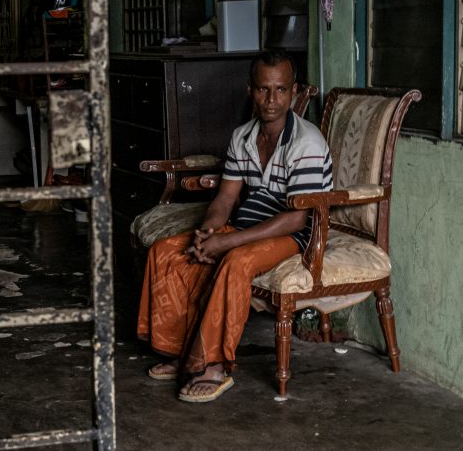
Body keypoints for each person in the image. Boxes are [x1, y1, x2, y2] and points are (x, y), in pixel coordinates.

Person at [136, 50, 333, 403]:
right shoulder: (243, 136)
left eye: (280, 90)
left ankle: (214, 366)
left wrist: (227, 244)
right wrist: (210, 232)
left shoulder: (307, 143)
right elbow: (225, 199)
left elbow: (296, 218)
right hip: (250, 227)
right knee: (167, 251)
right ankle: (180, 352)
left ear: (293, 91)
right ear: (250, 91)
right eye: (262, 90)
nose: (271, 100)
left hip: (294, 236)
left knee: (235, 262)